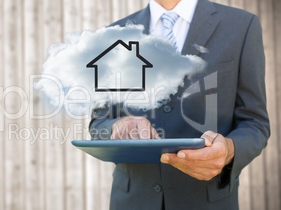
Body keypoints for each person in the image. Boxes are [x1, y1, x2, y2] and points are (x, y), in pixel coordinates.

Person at [89, 0, 270, 209]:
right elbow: (98, 123)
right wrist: (117, 126)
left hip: (207, 201)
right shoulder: (112, 35)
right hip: (133, 201)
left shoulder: (241, 26)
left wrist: (229, 149)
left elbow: (255, 122)